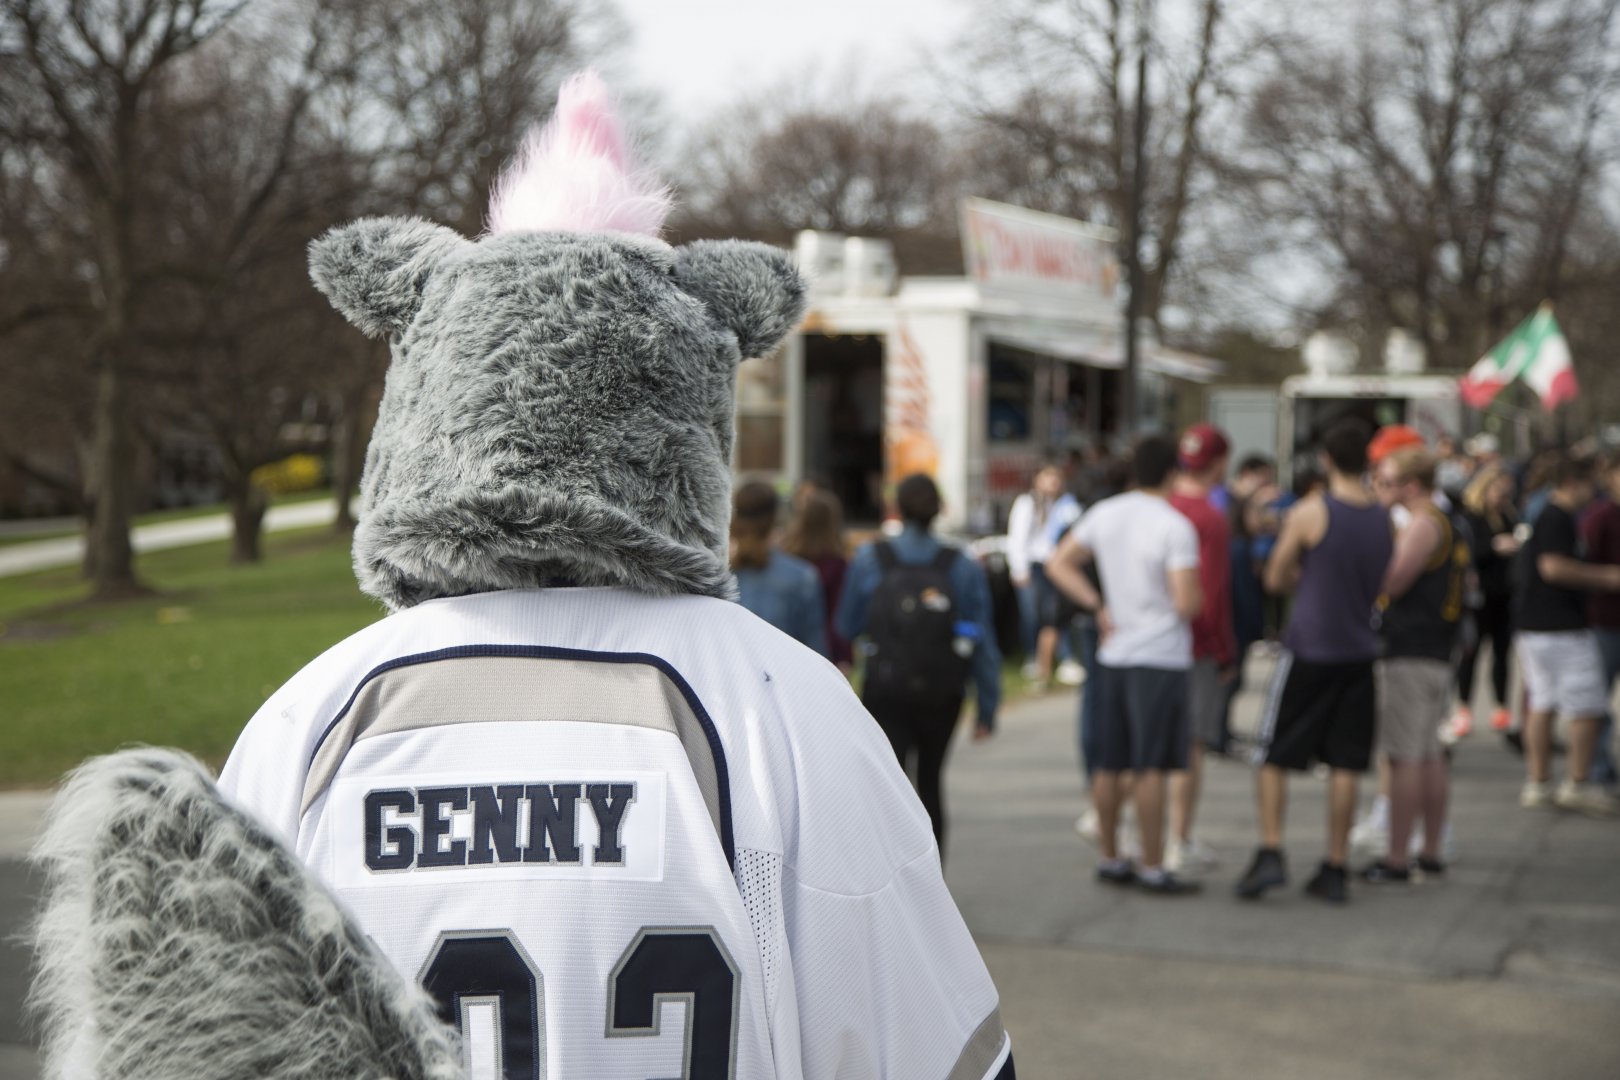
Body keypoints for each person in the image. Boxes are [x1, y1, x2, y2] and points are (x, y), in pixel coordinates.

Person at [31, 76, 1016, 1079]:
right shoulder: (792, 711)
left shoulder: (308, 720)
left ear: (429, 400)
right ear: (684, 412)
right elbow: (940, 1058)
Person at [1235, 419, 1393, 905]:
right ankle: (1335, 863)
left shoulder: (1311, 511)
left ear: (1325, 460)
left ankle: (1270, 850)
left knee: (1273, 754)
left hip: (1310, 646)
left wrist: (1303, 573)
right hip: (1359, 649)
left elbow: (1276, 577)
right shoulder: (1381, 517)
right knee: (1346, 761)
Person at [1047, 434, 1204, 896]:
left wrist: (1096, 603)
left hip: (1113, 652)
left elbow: (1059, 563)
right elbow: (1186, 601)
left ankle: (1111, 856)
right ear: (1174, 474)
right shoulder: (1175, 526)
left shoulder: (1106, 513)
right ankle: (1154, 865)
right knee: (1151, 765)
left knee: (1109, 762)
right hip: (1160, 656)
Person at [836, 473, 1003, 857]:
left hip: (885, 688)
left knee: (889, 790)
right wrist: (988, 707)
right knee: (930, 784)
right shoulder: (960, 564)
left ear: (898, 508)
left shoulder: (870, 558)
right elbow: (981, 639)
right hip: (941, 692)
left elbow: (848, 624)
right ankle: (932, 890)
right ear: (938, 510)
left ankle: (889, 886)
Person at [1361, 448, 1469, 883]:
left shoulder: (1423, 524)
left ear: (1410, 485)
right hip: (1436, 649)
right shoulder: (1448, 522)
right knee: (1426, 754)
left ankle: (1397, 856)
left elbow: (1392, 580)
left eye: (1387, 482)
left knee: (1405, 756)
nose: (1379, 490)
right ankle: (1429, 848)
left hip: (1411, 649)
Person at [1514, 453, 1620, 816]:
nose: (1596, 490)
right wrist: (1607, 577)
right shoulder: (1556, 516)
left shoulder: (1547, 513)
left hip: (1537, 624)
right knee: (1587, 707)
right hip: (1560, 625)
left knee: (1542, 702)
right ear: (1573, 483)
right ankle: (1578, 781)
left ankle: (1540, 781)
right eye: (1591, 483)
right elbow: (1553, 568)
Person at [1166, 423, 1236, 876]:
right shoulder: (1210, 517)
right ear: (1219, 462)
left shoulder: (1164, 505)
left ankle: (1147, 837)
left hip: (1154, 643)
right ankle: (1179, 838)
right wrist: (1225, 650)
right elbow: (1210, 595)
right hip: (1195, 648)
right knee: (1190, 748)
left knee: (1153, 747)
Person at [1458, 465, 1521, 733]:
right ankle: (1463, 708)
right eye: (1498, 489)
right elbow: (1467, 553)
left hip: (1504, 594)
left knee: (1501, 653)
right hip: (1479, 595)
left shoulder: (1509, 515)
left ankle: (1501, 707)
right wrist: (1495, 546)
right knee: (1470, 653)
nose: (1502, 495)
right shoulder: (1471, 517)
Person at [1007, 461, 1083, 684]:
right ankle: (1034, 657)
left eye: (1056, 477)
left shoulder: (1066, 505)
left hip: (1057, 566)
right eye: (1048, 476)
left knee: (1057, 613)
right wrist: (1018, 568)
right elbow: (1017, 538)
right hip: (1034, 566)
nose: (1053, 482)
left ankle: (1064, 657)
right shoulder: (1027, 503)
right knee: (1032, 614)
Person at [732, 481, 828, 656]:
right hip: (787, 678)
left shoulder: (716, 577)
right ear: (774, 517)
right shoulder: (801, 577)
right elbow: (816, 652)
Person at [782, 486, 854, 670]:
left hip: (788, 644)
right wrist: (844, 656)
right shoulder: (838, 565)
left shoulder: (788, 560)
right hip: (827, 650)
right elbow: (840, 614)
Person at [1581, 454, 1620, 788]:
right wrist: (1608, 577)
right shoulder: (1600, 516)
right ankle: (1597, 768)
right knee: (1597, 700)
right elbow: (1580, 565)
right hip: (1606, 621)